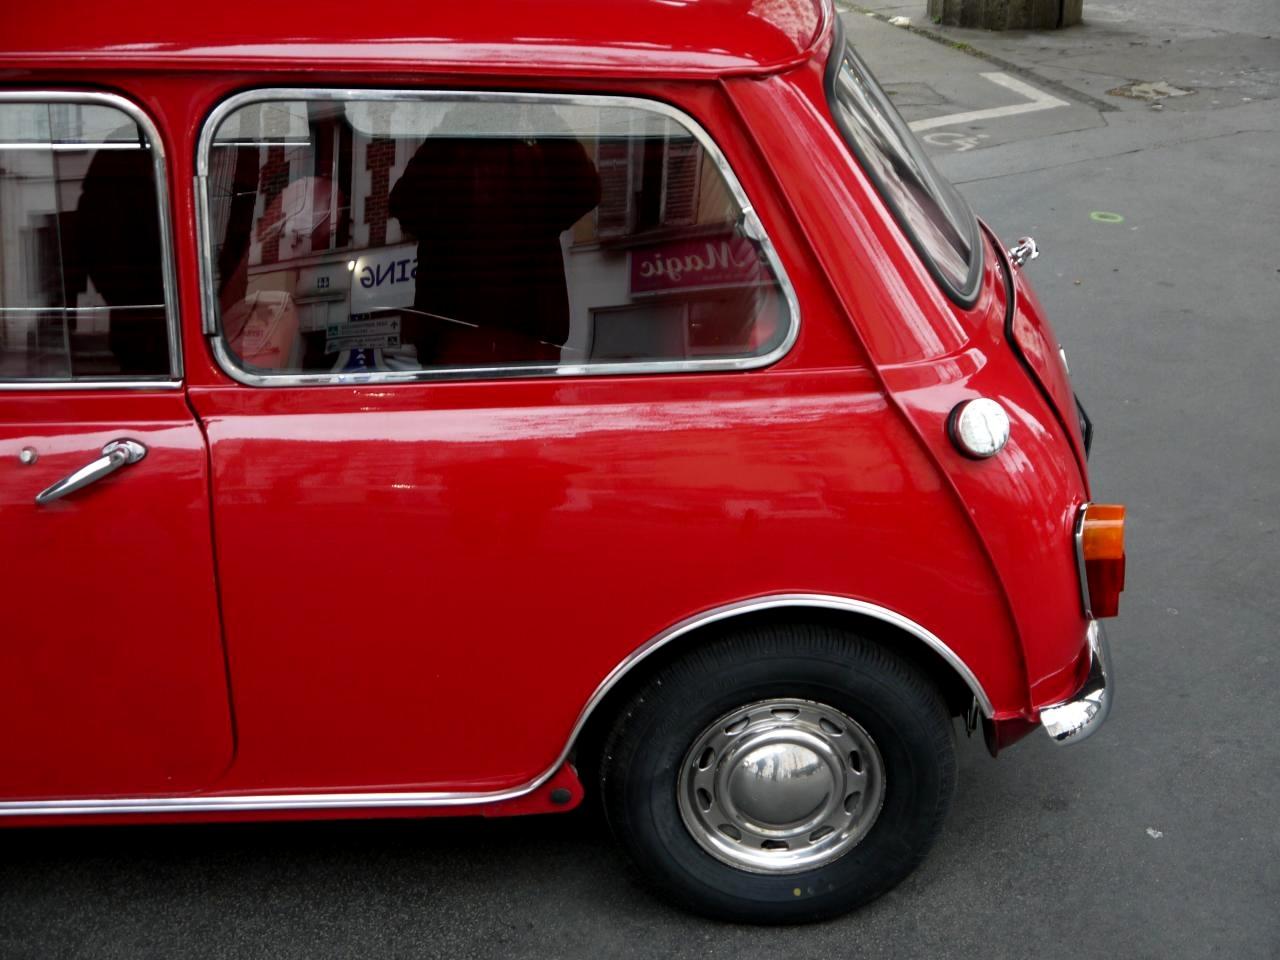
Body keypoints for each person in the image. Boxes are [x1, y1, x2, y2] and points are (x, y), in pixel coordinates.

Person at [389, 106, 600, 366]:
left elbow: (404, 203)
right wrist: (543, 115)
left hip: (463, 334)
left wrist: (454, 124)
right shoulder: (531, 166)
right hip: (521, 335)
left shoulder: (449, 165)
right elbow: (585, 189)